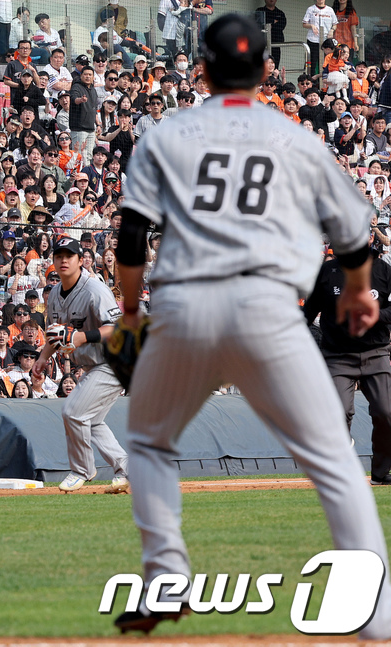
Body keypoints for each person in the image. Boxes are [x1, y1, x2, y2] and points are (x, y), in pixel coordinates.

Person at [111, 15, 391, 637]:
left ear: (202, 71)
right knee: (334, 461)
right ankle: (376, 617)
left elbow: (132, 238)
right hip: (269, 310)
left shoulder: (167, 133)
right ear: (266, 69)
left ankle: (166, 578)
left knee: (150, 444)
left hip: (183, 309)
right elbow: (353, 235)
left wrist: (130, 313)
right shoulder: (295, 139)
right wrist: (358, 290)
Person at [31, 236, 128, 494]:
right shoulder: (54, 294)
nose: (63, 260)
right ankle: (127, 469)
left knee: (73, 412)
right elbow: (57, 333)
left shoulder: (95, 289)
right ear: (53, 261)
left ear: (81, 260)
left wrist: (81, 337)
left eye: (69, 256)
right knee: (91, 421)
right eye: (59, 256)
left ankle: (82, 470)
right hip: (96, 365)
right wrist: (43, 357)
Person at [304, 254, 391, 484]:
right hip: (337, 356)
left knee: (386, 412)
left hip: (376, 352)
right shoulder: (327, 271)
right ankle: (340, 470)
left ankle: (381, 472)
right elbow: (308, 311)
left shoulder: (383, 270)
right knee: (338, 413)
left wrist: (377, 314)